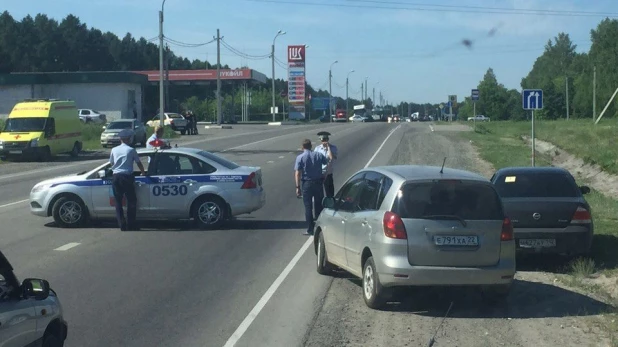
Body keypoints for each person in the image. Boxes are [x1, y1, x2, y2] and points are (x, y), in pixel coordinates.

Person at [109, 129, 146, 231]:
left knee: (118, 201)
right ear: (128, 139)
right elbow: (138, 163)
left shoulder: (114, 150)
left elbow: (111, 163)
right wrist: (143, 173)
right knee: (131, 200)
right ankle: (131, 224)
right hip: (127, 177)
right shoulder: (131, 150)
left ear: (120, 139)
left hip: (116, 176)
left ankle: (122, 224)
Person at [294, 138, 333, 235]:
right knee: (318, 205)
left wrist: (297, 187)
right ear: (311, 146)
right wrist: (325, 174)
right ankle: (320, 228)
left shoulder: (300, 157)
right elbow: (327, 161)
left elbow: (298, 173)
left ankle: (310, 229)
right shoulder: (318, 155)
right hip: (318, 182)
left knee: (308, 207)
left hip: (307, 183)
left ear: (303, 147)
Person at [313, 131, 338, 198]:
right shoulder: (317, 148)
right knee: (319, 191)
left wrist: (328, 148)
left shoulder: (333, 147)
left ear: (327, 139)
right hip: (320, 172)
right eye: (322, 140)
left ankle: (330, 202)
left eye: (325, 140)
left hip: (328, 172)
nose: (324, 142)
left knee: (329, 190)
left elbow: (332, 158)